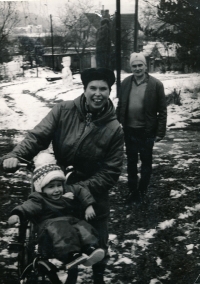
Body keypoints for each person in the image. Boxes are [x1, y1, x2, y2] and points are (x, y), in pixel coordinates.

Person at [2, 67, 124, 284]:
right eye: (93, 88)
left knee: (97, 241)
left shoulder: (114, 128)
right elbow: (37, 137)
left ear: (109, 91)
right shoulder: (63, 110)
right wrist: (15, 155)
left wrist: (78, 189)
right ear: (84, 89)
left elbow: (110, 172)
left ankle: (98, 277)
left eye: (103, 89)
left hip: (92, 190)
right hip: (57, 183)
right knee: (52, 232)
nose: (98, 93)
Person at [8, 152, 105, 269]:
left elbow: (80, 190)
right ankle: (71, 255)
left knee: (82, 226)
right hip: (49, 226)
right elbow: (28, 207)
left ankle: (90, 248)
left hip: (69, 221)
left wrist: (88, 205)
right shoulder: (39, 198)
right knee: (62, 229)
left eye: (59, 185)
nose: (57, 190)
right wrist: (17, 214)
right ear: (42, 189)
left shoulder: (66, 190)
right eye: (51, 186)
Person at [116, 52, 167, 205]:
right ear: (130, 67)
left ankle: (142, 190)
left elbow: (162, 110)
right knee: (131, 162)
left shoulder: (156, 84)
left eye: (140, 65)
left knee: (146, 162)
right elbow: (121, 105)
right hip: (129, 130)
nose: (137, 68)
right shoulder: (125, 83)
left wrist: (160, 132)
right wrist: (117, 124)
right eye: (134, 66)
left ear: (145, 66)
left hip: (146, 131)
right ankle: (133, 190)